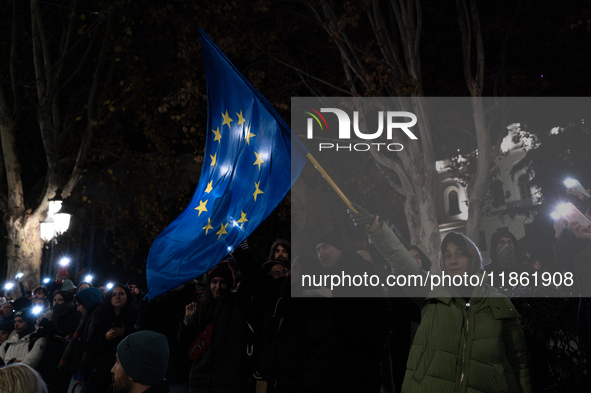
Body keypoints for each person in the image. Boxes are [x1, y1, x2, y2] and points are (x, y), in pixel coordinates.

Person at [350, 206, 532, 392]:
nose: (453, 260)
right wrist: (376, 227)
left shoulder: (499, 302)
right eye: (447, 255)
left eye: (460, 254)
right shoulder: (431, 291)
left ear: (473, 260)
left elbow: (519, 363)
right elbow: (400, 261)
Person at [179, 261, 251, 393]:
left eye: (223, 282)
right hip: (200, 380)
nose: (218, 286)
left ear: (229, 284)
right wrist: (187, 320)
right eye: (214, 282)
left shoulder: (236, 306)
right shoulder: (199, 307)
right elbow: (185, 344)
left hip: (229, 380)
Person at [85, 284, 138, 393]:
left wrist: (127, 331)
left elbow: (140, 335)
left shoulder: (135, 315)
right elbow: (90, 346)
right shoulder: (99, 315)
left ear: (127, 297)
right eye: (114, 294)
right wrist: (105, 338)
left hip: (126, 370)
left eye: (121, 294)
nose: (117, 297)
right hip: (102, 369)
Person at [60, 287, 104, 393]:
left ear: (88, 302)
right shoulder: (86, 318)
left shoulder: (94, 318)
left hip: (85, 371)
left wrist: (82, 370)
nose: (78, 309)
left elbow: (88, 345)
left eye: (79, 305)